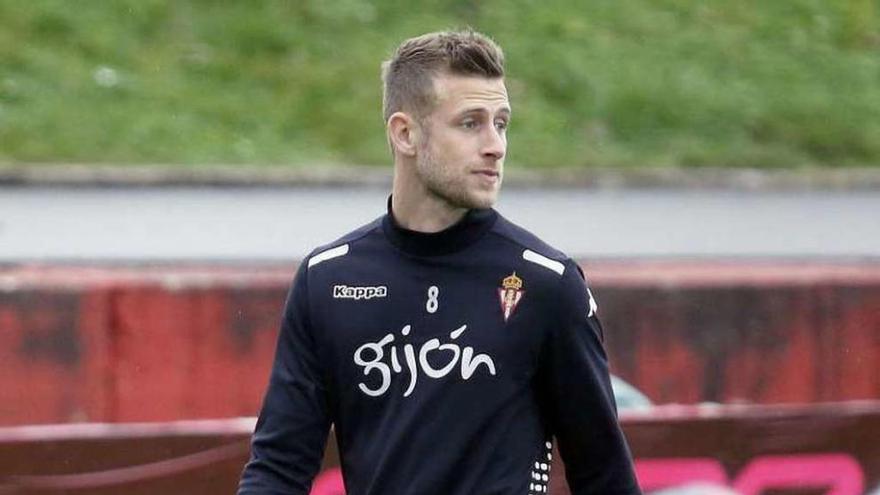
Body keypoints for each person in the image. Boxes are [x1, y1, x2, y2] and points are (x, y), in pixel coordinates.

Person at [238, 30, 641, 495]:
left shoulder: (547, 284)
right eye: (471, 123)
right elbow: (278, 469)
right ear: (405, 133)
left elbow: (605, 475)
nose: (496, 145)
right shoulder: (327, 281)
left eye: (501, 123)